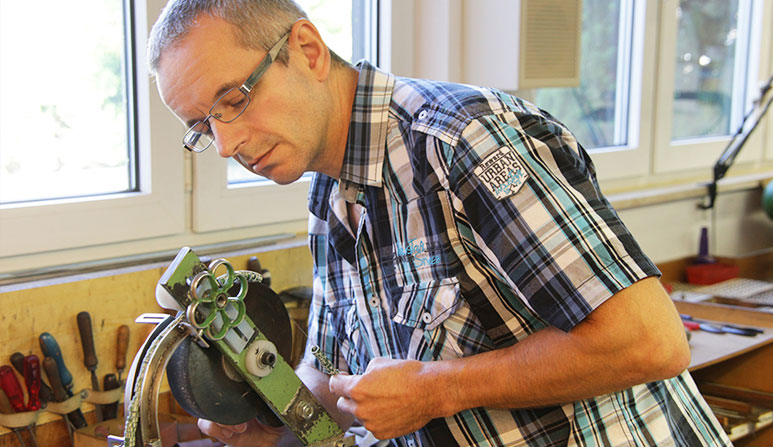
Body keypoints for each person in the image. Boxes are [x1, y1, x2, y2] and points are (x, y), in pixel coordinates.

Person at [148, 1, 733, 446]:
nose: (225, 145)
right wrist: (276, 421)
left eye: (236, 100)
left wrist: (440, 387)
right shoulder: (330, 195)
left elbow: (651, 341)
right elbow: (332, 375)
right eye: (203, 126)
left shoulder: (462, 141)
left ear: (307, 49)